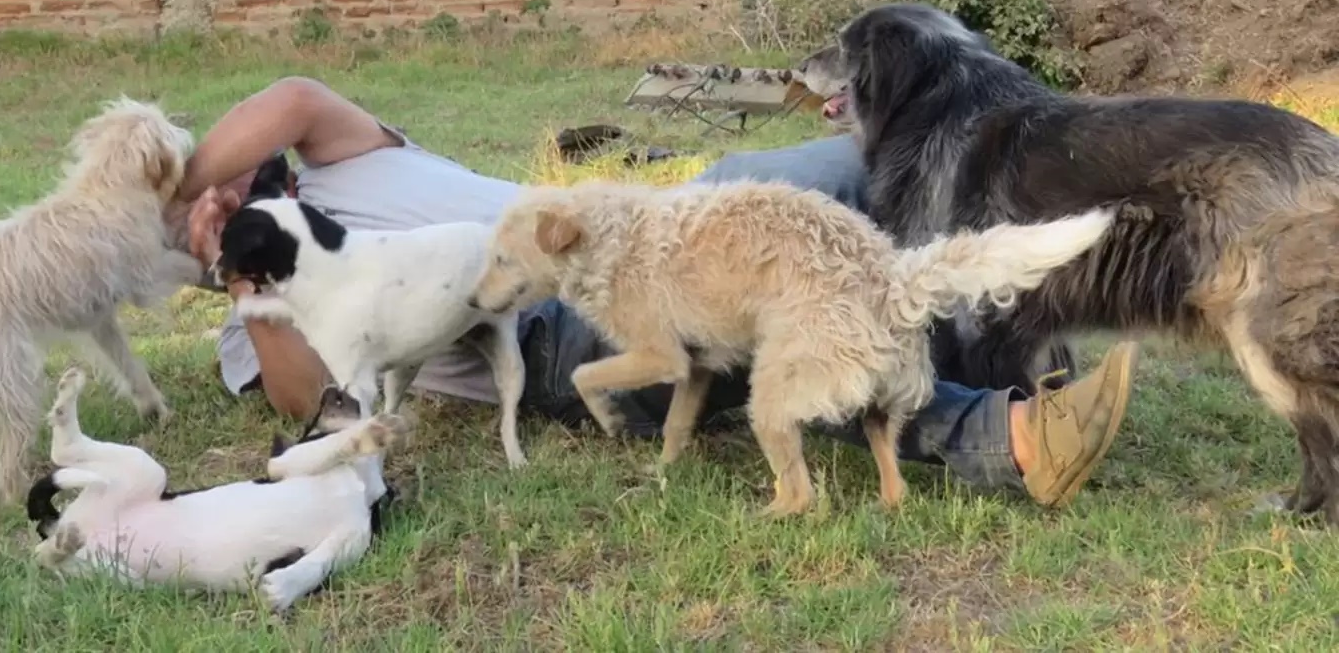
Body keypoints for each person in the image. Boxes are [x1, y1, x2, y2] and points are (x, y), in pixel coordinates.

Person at [169, 76, 1139, 510]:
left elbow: (293, 97)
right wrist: (244, 266)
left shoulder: (337, 154)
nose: (216, 193)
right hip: (566, 331)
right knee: (785, 343)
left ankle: (1032, 296)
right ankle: (1011, 443)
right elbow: (312, 405)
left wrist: (182, 181)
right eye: (187, 209)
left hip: (646, 225)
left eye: (216, 168)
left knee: (847, 162)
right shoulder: (253, 321)